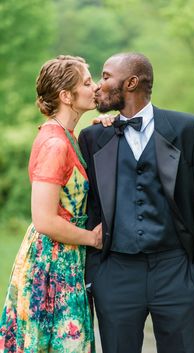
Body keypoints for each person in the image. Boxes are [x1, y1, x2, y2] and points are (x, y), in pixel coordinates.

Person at [78, 52, 194, 353]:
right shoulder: (93, 137)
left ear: (131, 83)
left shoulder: (188, 129)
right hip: (114, 273)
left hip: (176, 271)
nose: (97, 86)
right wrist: (96, 276)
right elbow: (90, 208)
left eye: (106, 77)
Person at [0, 55, 103, 352]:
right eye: (86, 82)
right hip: (52, 264)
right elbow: (44, 219)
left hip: (65, 257)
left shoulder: (66, 136)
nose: (94, 87)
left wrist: (104, 123)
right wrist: (92, 239)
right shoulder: (55, 143)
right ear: (66, 96)